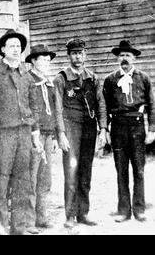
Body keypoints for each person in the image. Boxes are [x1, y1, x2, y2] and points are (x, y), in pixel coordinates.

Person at [0, 29, 42, 235]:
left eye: (19, 46)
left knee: (23, 181)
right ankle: (0, 228)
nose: (16, 49)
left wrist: (35, 133)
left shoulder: (26, 75)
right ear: (2, 50)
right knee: (1, 184)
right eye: (11, 46)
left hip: (24, 134)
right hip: (3, 135)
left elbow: (33, 106)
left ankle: (21, 227)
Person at [53, 38, 107, 228]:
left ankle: (83, 213)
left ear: (85, 55)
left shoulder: (93, 78)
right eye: (74, 53)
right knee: (71, 172)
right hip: (71, 129)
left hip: (89, 130)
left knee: (86, 172)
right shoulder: (60, 79)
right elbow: (57, 108)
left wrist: (103, 129)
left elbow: (101, 104)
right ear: (68, 56)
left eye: (80, 52)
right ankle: (69, 216)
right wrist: (61, 133)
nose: (77, 56)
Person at [102, 40, 155, 223]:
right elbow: (105, 106)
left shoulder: (143, 78)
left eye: (128, 55)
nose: (125, 58)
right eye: (122, 55)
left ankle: (139, 209)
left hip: (137, 126)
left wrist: (152, 130)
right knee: (121, 170)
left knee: (139, 170)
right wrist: (105, 130)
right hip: (117, 127)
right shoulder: (110, 79)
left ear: (134, 58)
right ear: (118, 57)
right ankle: (123, 210)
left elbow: (152, 106)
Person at [25, 44, 61, 229]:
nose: (47, 62)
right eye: (43, 59)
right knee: (31, 177)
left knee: (45, 178)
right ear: (33, 61)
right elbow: (29, 109)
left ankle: (41, 216)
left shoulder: (49, 82)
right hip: (34, 136)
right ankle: (29, 220)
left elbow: (53, 111)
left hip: (48, 135)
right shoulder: (27, 80)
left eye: (48, 59)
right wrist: (34, 133)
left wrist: (54, 137)